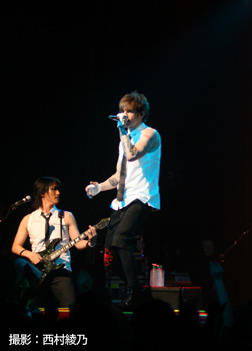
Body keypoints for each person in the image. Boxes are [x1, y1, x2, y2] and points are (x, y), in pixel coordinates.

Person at [85, 91, 161, 307]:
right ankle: (136, 286)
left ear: (141, 114)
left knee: (121, 239)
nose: (125, 115)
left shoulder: (150, 134)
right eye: (123, 111)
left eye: (130, 111)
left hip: (142, 197)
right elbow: (120, 175)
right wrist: (99, 187)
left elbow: (132, 154)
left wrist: (121, 129)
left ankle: (136, 290)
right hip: (123, 199)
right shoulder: (124, 140)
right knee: (109, 253)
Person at [12, 177, 97, 308]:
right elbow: (15, 247)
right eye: (54, 189)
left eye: (58, 190)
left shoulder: (66, 216)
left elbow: (78, 243)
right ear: (42, 193)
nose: (58, 193)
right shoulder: (28, 219)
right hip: (38, 272)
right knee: (33, 308)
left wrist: (90, 242)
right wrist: (30, 254)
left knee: (69, 308)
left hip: (61, 271)